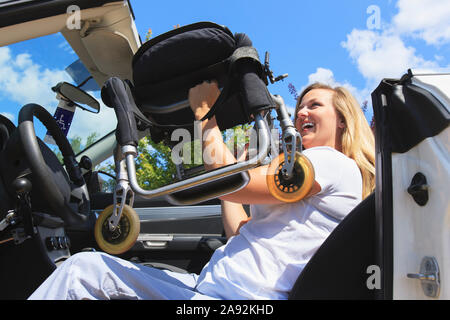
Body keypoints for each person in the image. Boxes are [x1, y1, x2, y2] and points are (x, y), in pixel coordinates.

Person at [28, 81, 375, 300]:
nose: (301, 112)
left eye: (314, 105)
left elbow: (223, 174)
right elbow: (243, 231)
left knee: (81, 273)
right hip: (212, 290)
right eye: (301, 105)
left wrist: (204, 114)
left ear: (342, 119)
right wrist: (231, 185)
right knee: (86, 270)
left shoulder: (329, 161)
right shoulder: (310, 172)